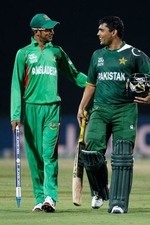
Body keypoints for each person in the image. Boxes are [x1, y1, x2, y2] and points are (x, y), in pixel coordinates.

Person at [10, 13, 87, 213]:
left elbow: (75, 75)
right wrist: (15, 114)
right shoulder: (23, 54)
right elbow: (16, 86)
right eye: (47, 29)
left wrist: (95, 82)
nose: (52, 31)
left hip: (52, 108)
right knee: (35, 157)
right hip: (31, 109)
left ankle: (49, 197)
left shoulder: (57, 52)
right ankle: (38, 198)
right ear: (36, 32)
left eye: (52, 28)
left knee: (49, 155)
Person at [77, 16, 150, 214]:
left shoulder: (135, 54)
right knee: (91, 152)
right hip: (100, 109)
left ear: (114, 32)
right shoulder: (97, 55)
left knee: (122, 156)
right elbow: (91, 83)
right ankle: (100, 191)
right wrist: (82, 106)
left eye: (101, 30)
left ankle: (118, 203)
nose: (98, 33)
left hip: (125, 110)